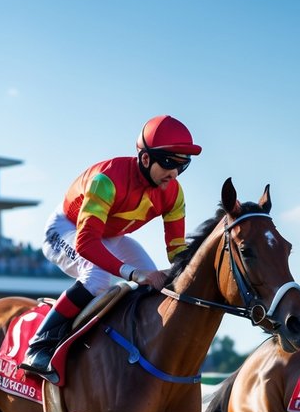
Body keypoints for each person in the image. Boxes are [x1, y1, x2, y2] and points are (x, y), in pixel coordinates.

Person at [19, 115, 202, 381]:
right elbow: (86, 242)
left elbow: (176, 251)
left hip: (110, 235)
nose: (174, 174)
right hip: (67, 229)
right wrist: (132, 273)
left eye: (182, 166)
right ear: (146, 158)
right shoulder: (107, 181)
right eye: (168, 163)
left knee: (158, 284)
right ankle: (39, 346)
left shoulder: (174, 193)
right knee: (97, 279)